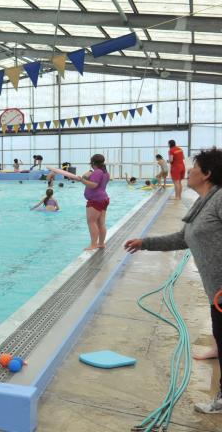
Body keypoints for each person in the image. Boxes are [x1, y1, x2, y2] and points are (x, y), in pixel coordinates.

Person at [125, 148, 222, 413]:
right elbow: (183, 238)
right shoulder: (203, 202)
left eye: (194, 167)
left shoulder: (220, 198)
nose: (188, 170)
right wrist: (145, 243)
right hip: (216, 292)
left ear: (207, 174)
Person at [70, 154, 111, 251]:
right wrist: (85, 177)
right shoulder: (105, 173)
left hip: (95, 200)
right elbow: (89, 179)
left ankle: (93, 244)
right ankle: (101, 243)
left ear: (93, 163)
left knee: (91, 222)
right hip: (103, 199)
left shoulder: (97, 172)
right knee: (101, 223)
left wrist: (82, 181)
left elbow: (93, 185)